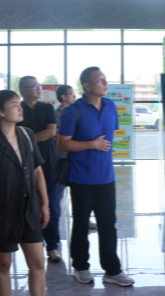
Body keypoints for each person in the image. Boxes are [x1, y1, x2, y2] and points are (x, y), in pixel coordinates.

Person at [57, 67, 134, 287]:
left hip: (106, 176)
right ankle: (80, 266)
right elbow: (62, 144)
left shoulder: (110, 106)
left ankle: (112, 270)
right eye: (100, 80)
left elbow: (110, 136)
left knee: (108, 224)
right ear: (87, 86)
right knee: (81, 224)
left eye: (105, 79)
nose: (105, 83)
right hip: (81, 177)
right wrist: (92, 144)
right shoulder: (73, 111)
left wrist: (99, 145)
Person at [0, 89, 50, 296]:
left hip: (29, 209)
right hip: (2, 213)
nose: (20, 107)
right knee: (4, 263)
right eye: (14, 105)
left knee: (38, 262)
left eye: (19, 103)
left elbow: (37, 171)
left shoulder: (27, 135)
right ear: (1, 112)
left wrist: (44, 203)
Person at [16, 76, 62, 261]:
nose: (38, 88)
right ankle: (37, 244)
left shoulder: (47, 108)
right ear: (23, 90)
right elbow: (14, 134)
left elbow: (52, 131)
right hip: (25, 166)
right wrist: (35, 138)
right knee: (30, 207)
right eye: (33, 86)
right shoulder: (17, 109)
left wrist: (27, 140)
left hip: (48, 164)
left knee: (52, 206)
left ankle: (53, 246)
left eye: (38, 85)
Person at [55, 84, 97, 230]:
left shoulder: (78, 111)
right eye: (71, 93)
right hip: (63, 159)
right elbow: (59, 136)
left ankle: (85, 220)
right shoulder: (58, 114)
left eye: (74, 93)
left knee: (81, 194)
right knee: (58, 192)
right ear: (63, 97)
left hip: (79, 157)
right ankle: (53, 222)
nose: (74, 96)